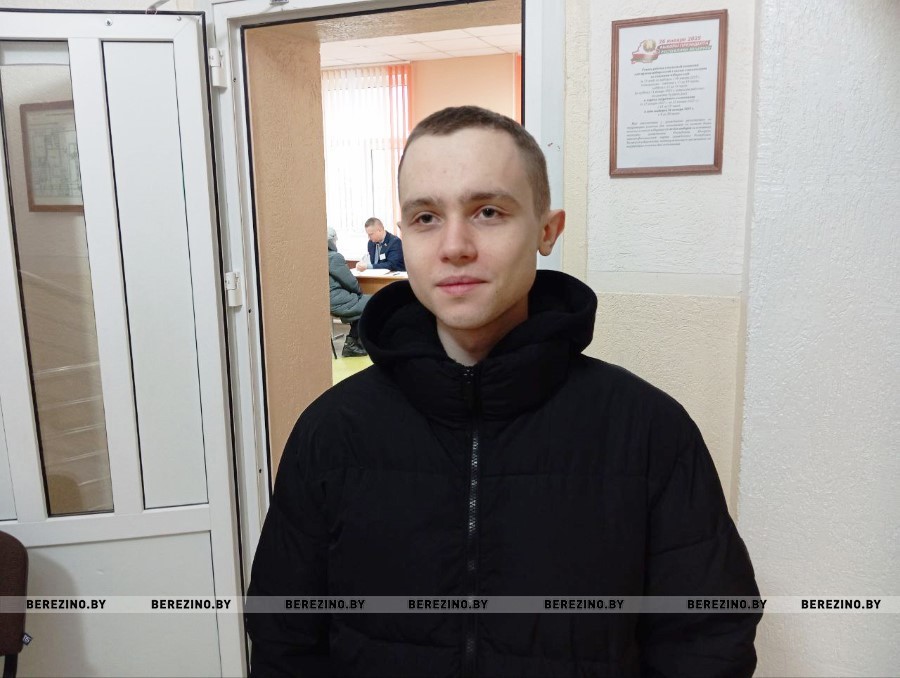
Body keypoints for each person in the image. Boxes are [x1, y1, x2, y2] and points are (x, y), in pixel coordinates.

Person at [247, 106, 761, 676]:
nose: (454, 245)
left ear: (547, 230)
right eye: (425, 217)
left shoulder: (647, 431)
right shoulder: (332, 432)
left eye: (488, 211)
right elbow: (283, 636)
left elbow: (708, 638)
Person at [326, 227, 369, 357]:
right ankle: (352, 344)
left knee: (360, 304)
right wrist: (359, 293)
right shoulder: (334, 257)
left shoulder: (315, 256)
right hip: (335, 300)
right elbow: (349, 281)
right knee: (370, 302)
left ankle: (354, 342)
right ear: (332, 240)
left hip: (326, 300)